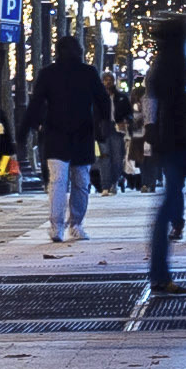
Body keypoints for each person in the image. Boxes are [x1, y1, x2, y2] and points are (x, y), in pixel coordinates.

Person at [27, 38, 116, 246]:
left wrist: (32, 126)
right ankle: (76, 224)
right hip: (82, 134)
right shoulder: (88, 72)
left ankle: (56, 226)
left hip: (56, 135)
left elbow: (36, 102)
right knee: (80, 182)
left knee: (57, 182)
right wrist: (105, 124)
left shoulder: (48, 73)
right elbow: (103, 100)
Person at [141, 17, 186, 295]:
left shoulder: (162, 63)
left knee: (174, 198)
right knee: (174, 200)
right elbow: (175, 103)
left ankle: (159, 273)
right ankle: (159, 275)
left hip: (172, 142)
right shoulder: (174, 61)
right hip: (180, 141)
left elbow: (158, 103)